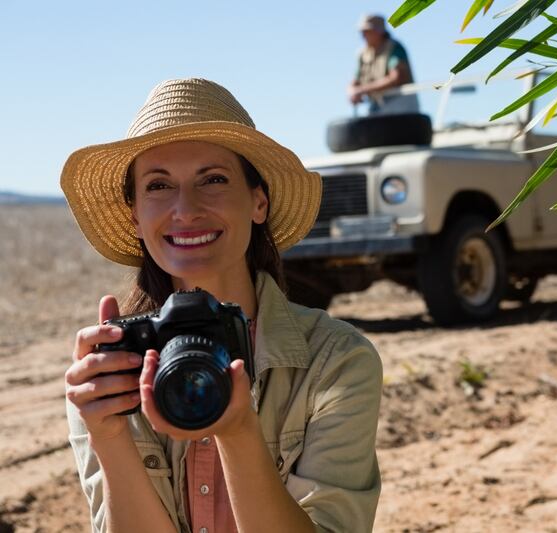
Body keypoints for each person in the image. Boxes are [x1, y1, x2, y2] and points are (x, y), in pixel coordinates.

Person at [61, 78, 383, 533]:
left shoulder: (335, 361)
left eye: (213, 179)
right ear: (135, 216)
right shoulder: (108, 372)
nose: (185, 209)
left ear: (258, 201)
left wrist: (237, 433)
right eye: (158, 186)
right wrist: (110, 437)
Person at [348, 14, 420, 116]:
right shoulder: (362, 54)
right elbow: (355, 80)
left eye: (367, 31)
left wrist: (362, 90)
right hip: (376, 106)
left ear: (379, 31)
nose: (363, 35)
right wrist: (352, 90)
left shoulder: (393, 47)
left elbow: (396, 77)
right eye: (362, 32)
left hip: (401, 107)